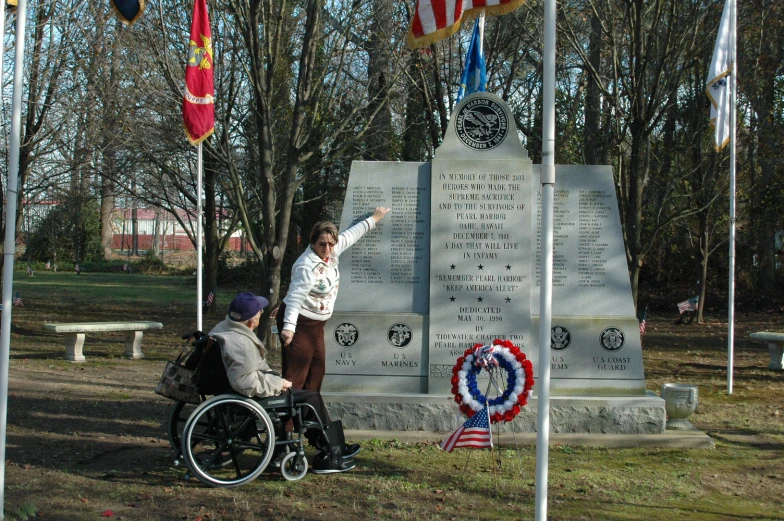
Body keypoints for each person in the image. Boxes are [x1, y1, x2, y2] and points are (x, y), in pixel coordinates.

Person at [210, 291, 358, 474]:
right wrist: (277, 384)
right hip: (251, 395)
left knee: (304, 396)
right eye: (259, 313)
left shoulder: (223, 328)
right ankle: (331, 452)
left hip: (243, 388)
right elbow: (245, 382)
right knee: (310, 398)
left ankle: (330, 446)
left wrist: (273, 377)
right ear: (250, 321)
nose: (261, 315)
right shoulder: (240, 343)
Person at [276, 207, 390, 393]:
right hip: (300, 324)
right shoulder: (306, 265)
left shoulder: (332, 252)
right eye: (322, 244)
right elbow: (296, 297)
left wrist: (374, 219)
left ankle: (309, 418)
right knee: (295, 376)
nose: (327, 248)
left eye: (331, 243)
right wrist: (289, 328)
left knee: (317, 371)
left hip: (317, 325)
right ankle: (286, 421)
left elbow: (351, 235)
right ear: (313, 242)